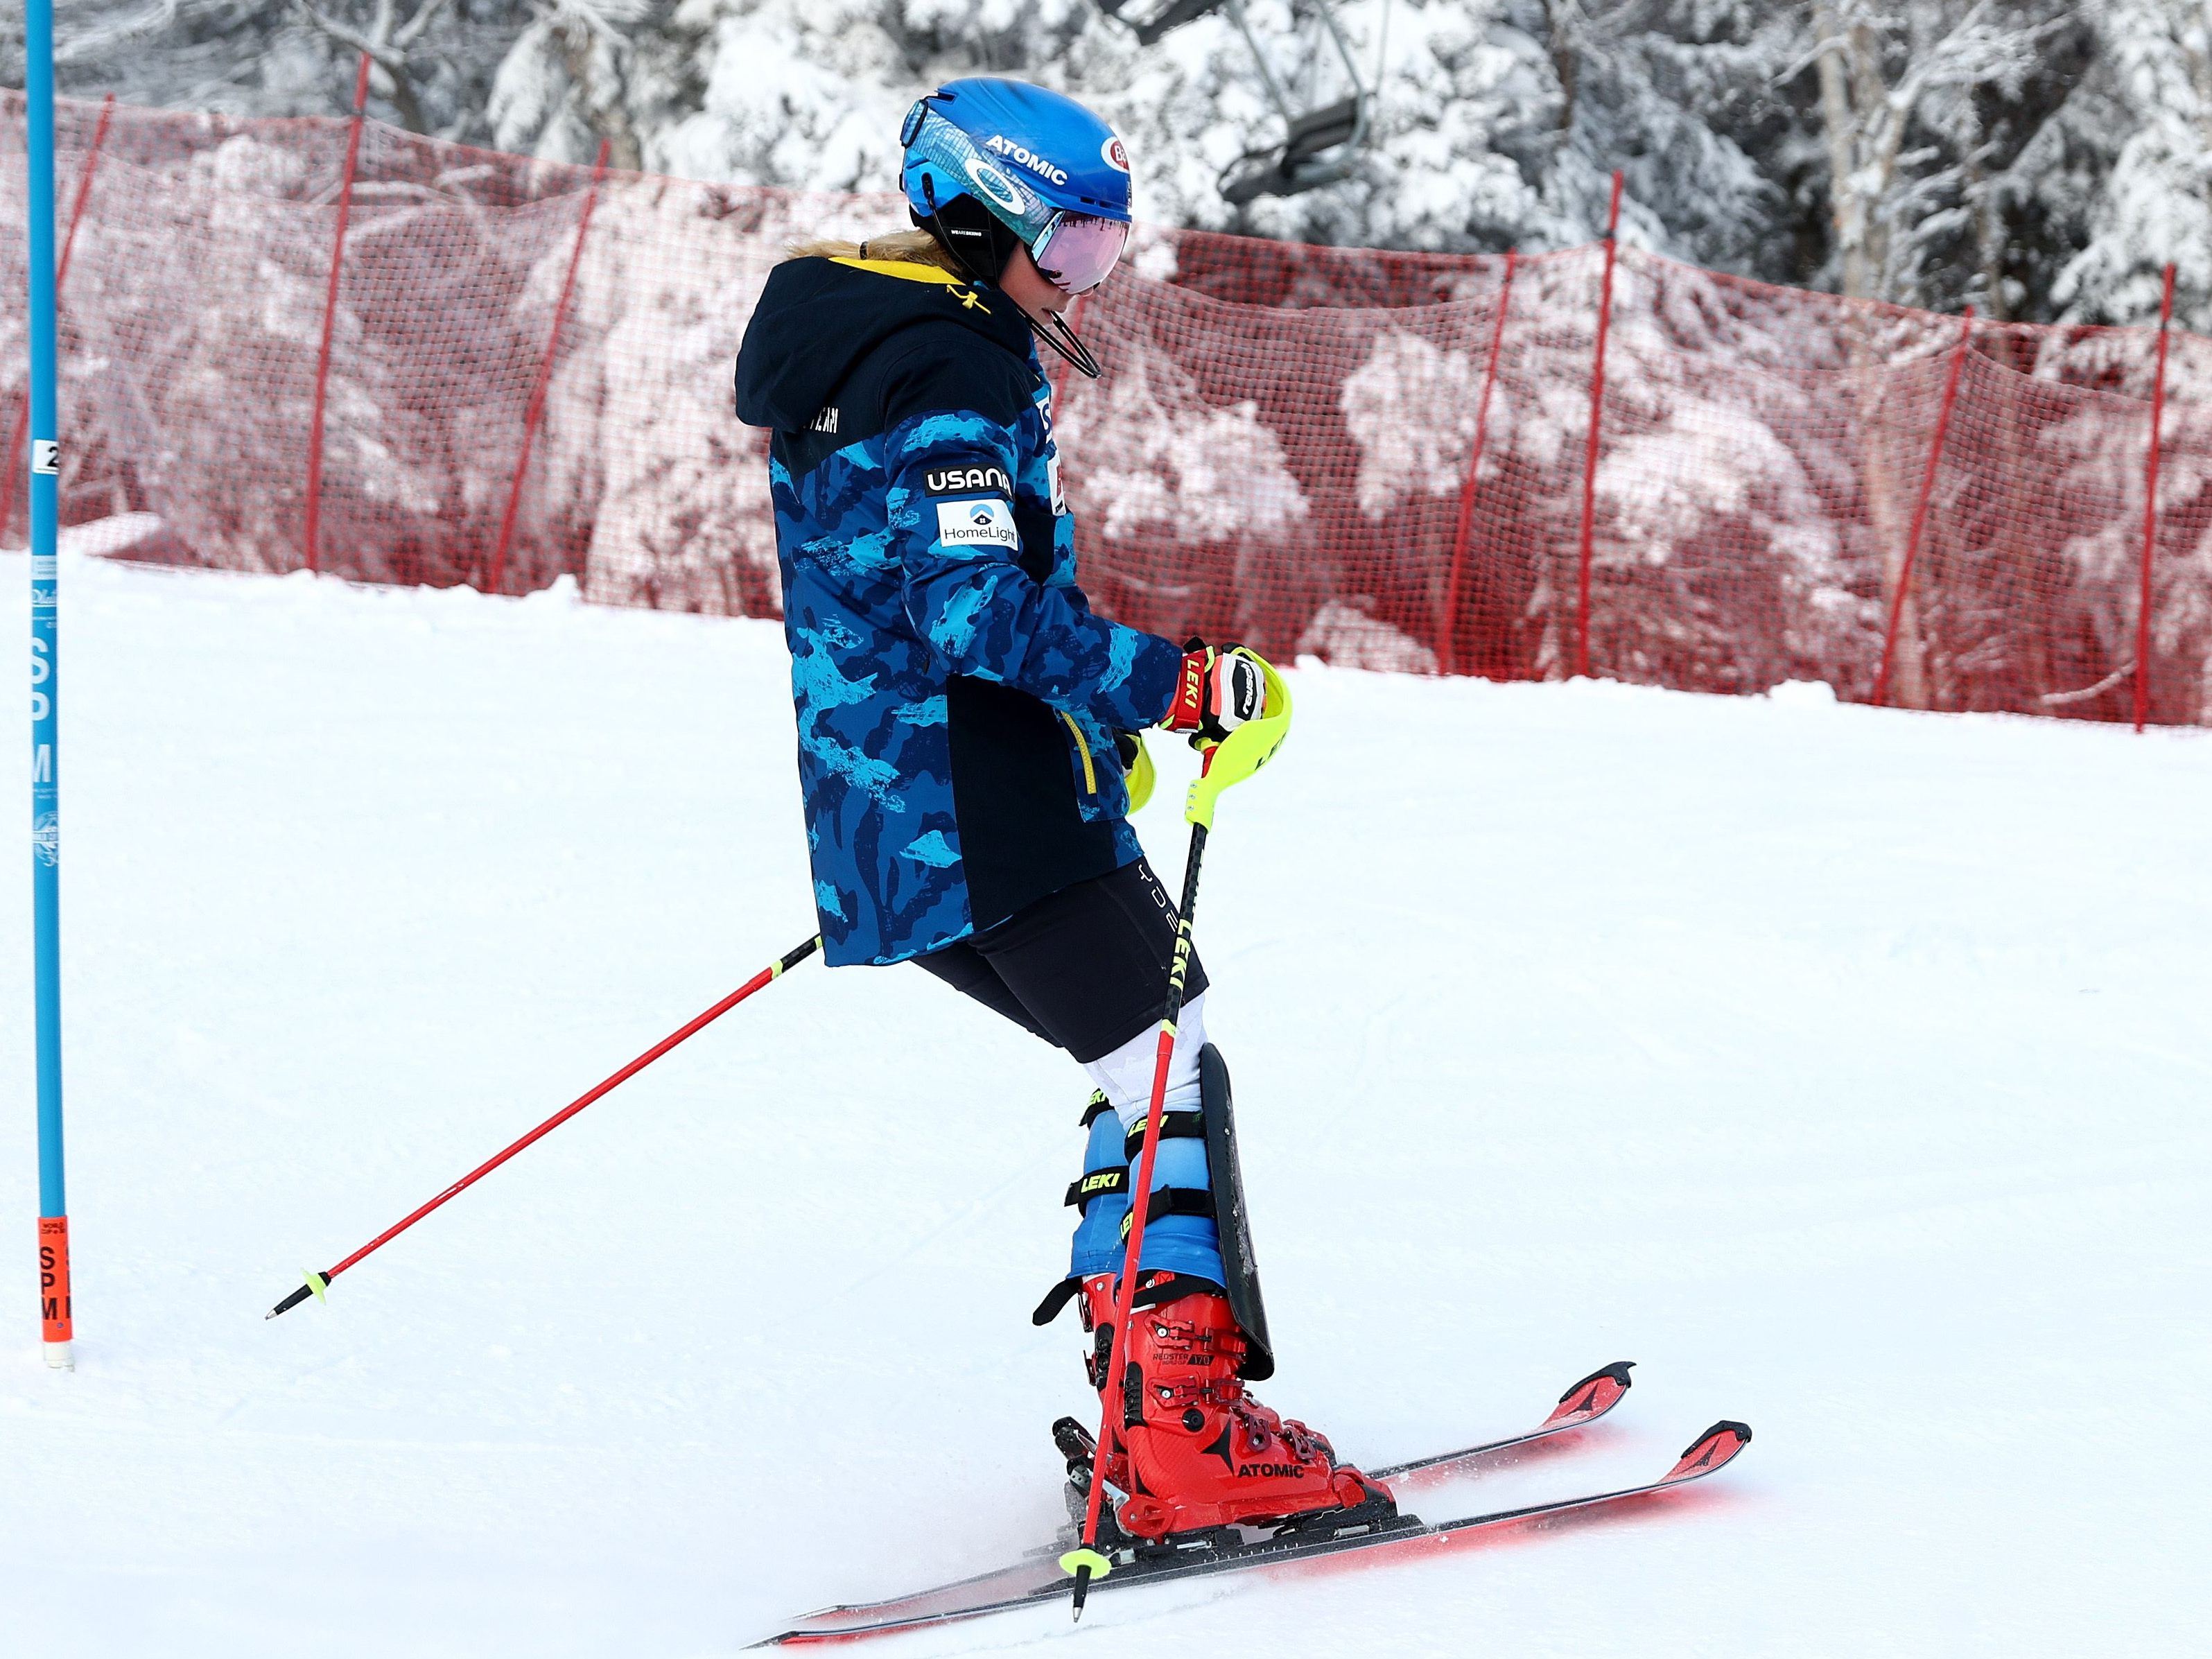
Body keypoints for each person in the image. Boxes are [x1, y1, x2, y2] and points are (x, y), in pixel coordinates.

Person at [733, 76, 1383, 1541]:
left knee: (1150, 1062)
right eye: (1073, 246)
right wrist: (1175, 687)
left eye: (1102, 251)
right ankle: (1182, 1450)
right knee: (1169, 1072)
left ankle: (1165, 1413)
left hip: (914, 802)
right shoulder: (943, 364)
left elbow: (927, 596)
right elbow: (971, 607)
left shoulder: (879, 342)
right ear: (978, 214)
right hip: (970, 800)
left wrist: (1089, 729)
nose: (1085, 280)